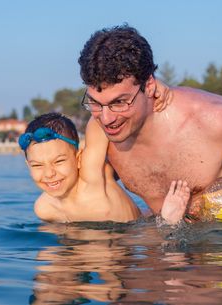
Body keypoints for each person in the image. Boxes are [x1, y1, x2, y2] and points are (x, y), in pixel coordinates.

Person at [78, 25, 222, 218]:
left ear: (149, 86)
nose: (106, 119)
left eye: (119, 102)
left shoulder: (213, 119)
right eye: (95, 103)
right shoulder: (101, 136)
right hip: (160, 245)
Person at [20, 81, 172, 223]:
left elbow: (99, 119)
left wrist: (146, 86)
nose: (49, 174)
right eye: (37, 165)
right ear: (27, 165)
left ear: (79, 158)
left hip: (142, 231)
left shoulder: (92, 177)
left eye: (59, 161)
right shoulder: (44, 209)